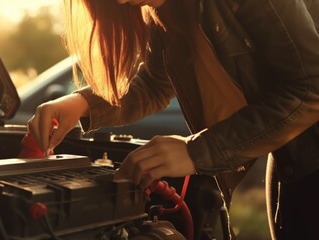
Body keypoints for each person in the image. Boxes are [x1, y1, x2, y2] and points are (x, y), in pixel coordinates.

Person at [27, 0, 319, 239]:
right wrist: (80, 103)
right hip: (291, 157)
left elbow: (312, 88)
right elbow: (154, 85)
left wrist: (196, 151)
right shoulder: (165, 12)